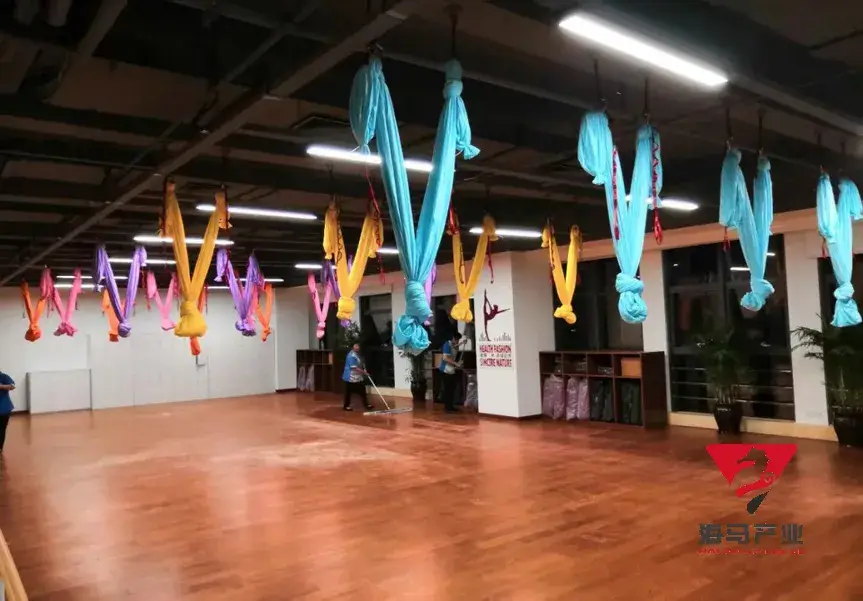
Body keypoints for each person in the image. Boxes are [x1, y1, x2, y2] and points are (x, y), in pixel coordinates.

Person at [342, 343, 372, 411]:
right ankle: (346, 406)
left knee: (362, 391)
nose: (357, 350)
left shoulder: (357, 355)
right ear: (353, 348)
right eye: (356, 349)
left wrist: (364, 369)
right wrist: (364, 373)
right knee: (348, 393)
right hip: (350, 377)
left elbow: (361, 363)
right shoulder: (351, 356)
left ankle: (366, 404)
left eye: (358, 349)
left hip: (358, 376)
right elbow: (354, 368)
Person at [439, 332, 463, 413]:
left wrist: (462, 343)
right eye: (456, 339)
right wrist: (456, 363)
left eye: (458, 340)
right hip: (445, 370)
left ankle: (451, 406)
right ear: (453, 338)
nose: (457, 341)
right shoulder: (447, 345)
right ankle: (447, 408)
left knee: (452, 389)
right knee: (448, 390)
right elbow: (445, 358)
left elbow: (454, 347)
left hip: (451, 370)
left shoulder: (453, 345)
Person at [0, 370, 15, 454]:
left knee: (1, 429)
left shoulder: (4, 376)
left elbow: (12, 386)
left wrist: (1, 386)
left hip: (4, 408)